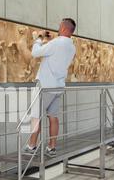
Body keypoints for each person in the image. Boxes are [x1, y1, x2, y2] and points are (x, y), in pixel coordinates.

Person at [25, 18, 77, 158]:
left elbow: (35, 53)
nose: (58, 28)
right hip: (59, 86)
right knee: (53, 117)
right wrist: (52, 41)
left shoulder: (56, 43)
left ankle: (31, 145)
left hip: (46, 86)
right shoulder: (72, 47)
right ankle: (52, 147)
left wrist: (39, 38)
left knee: (36, 116)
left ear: (65, 29)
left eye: (60, 26)